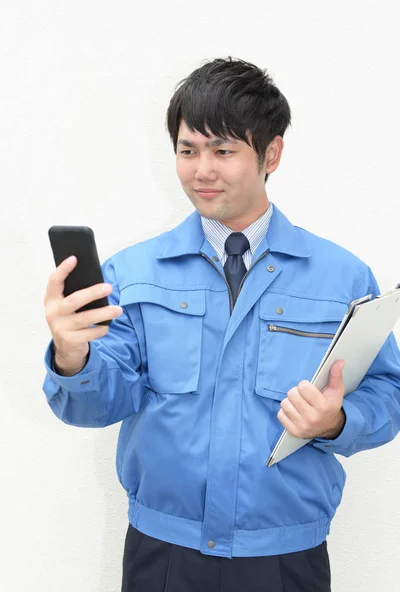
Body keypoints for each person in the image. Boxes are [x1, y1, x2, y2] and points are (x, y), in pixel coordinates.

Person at [42, 57, 400, 592]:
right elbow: (97, 406)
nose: (201, 170)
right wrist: (74, 358)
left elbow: (388, 391)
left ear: (271, 153)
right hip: (163, 555)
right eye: (188, 150)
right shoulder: (133, 274)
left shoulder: (341, 277)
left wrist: (335, 420)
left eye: (224, 151)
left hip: (286, 557)